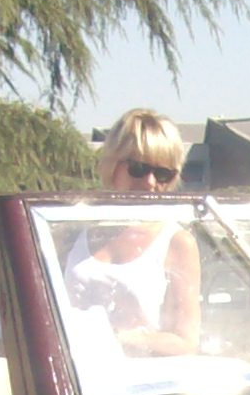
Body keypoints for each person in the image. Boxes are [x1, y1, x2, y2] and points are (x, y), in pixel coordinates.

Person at [61, 108, 200, 355]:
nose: (149, 182)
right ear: (113, 165)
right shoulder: (70, 231)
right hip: (71, 374)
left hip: (135, 383)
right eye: (138, 168)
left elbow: (185, 342)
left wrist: (114, 337)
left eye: (162, 173)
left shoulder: (177, 242)